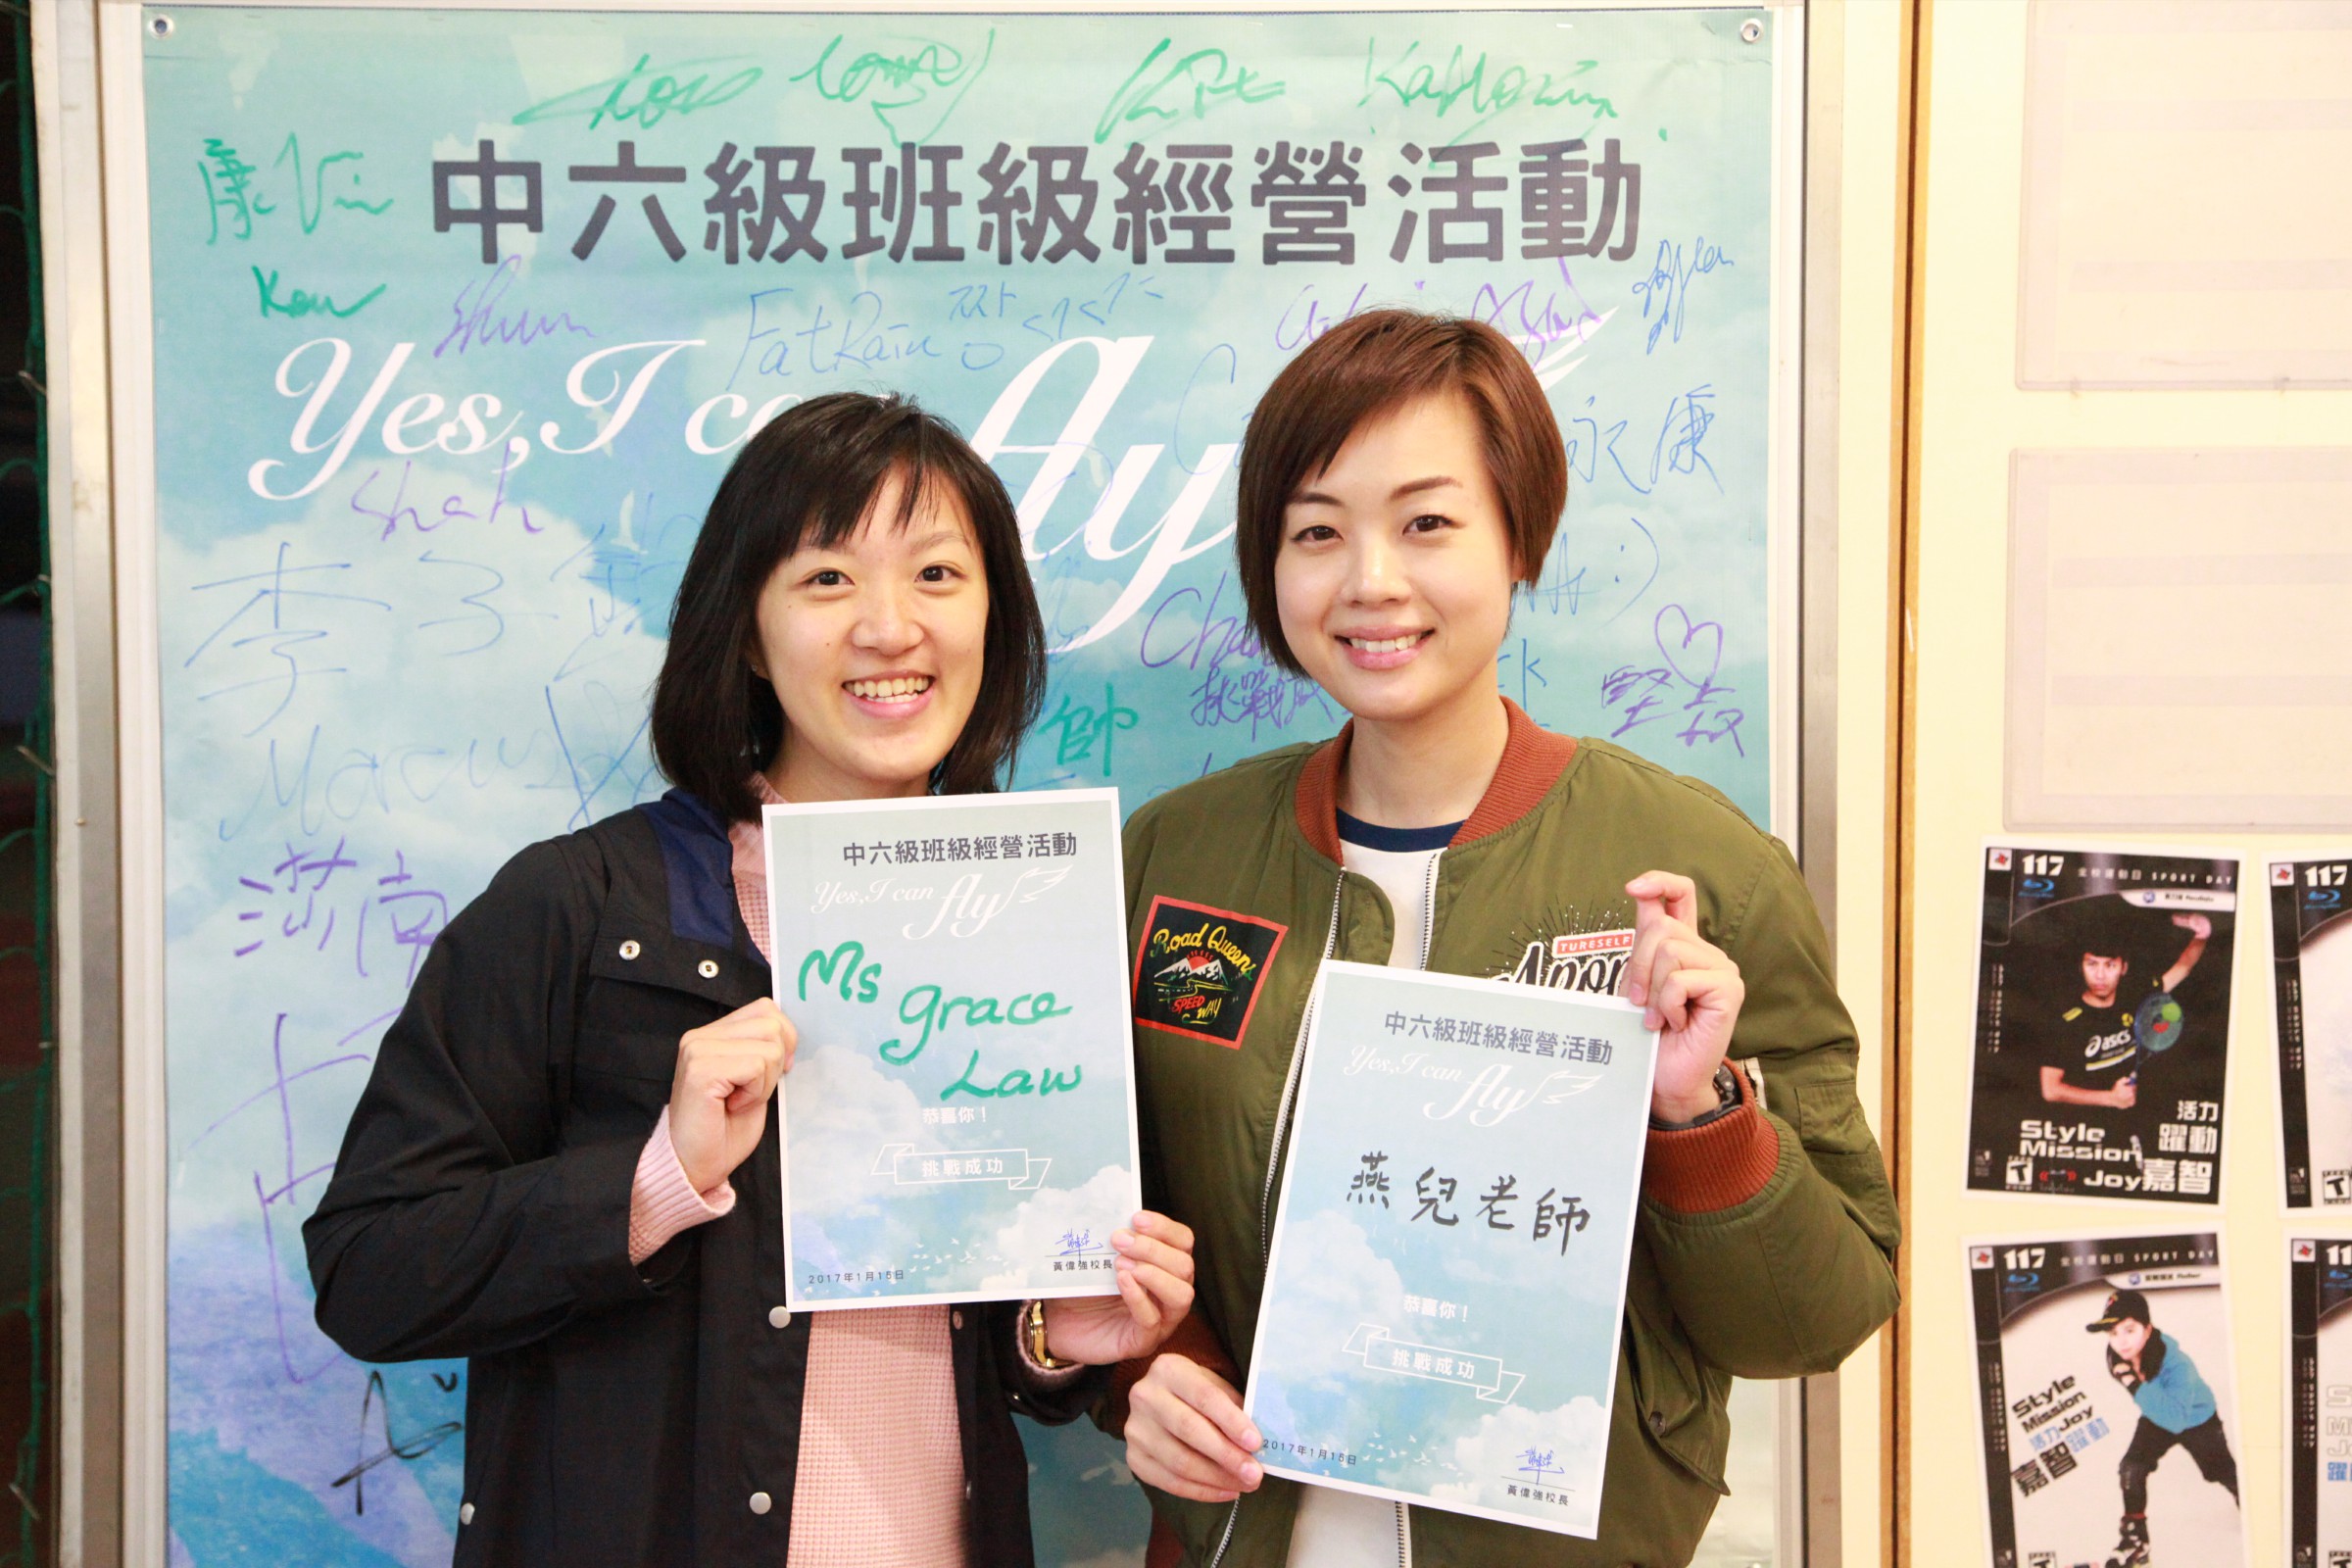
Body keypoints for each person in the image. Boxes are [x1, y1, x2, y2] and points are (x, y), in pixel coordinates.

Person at [305, 392, 1198, 1568]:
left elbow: (945, 1327)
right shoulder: (577, 907)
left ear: (995, 615)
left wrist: (1050, 1330)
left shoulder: (1027, 926)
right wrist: (656, 1182)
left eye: (938, 575)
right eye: (828, 578)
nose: (891, 627)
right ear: (745, 629)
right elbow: (368, 1272)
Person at [1110, 310, 1900, 1567]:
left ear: (1519, 536)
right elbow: (1106, 1230)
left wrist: (1700, 1113)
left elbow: (1818, 1319)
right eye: (1317, 531)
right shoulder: (1175, 860)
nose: (1371, 580)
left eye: (1428, 522)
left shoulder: (1698, 870)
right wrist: (1149, 1370)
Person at [2086, 1288, 2238, 1568]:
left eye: (2129, 1330)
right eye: (2113, 1333)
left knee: (2220, 1471)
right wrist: (2137, 1386)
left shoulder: (2178, 1364)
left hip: (2196, 1419)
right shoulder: (2116, 1357)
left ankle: (2254, 1506)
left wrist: (2133, 1383)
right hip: (2157, 1414)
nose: (2121, 1341)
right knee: (2131, 1468)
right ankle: (2135, 1539)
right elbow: (2158, 1410)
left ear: (2147, 1329)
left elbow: (2176, 1419)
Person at [2036, 913, 2211, 1110]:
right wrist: (2110, 1098)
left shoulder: (2134, 996)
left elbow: (2183, 967)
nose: (2100, 975)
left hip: (2132, 1112)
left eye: (2110, 965)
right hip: (2082, 1119)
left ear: (2123, 968)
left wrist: (2201, 937)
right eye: (2092, 964)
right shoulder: (2064, 1019)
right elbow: (2050, 1090)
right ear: (2081, 967)